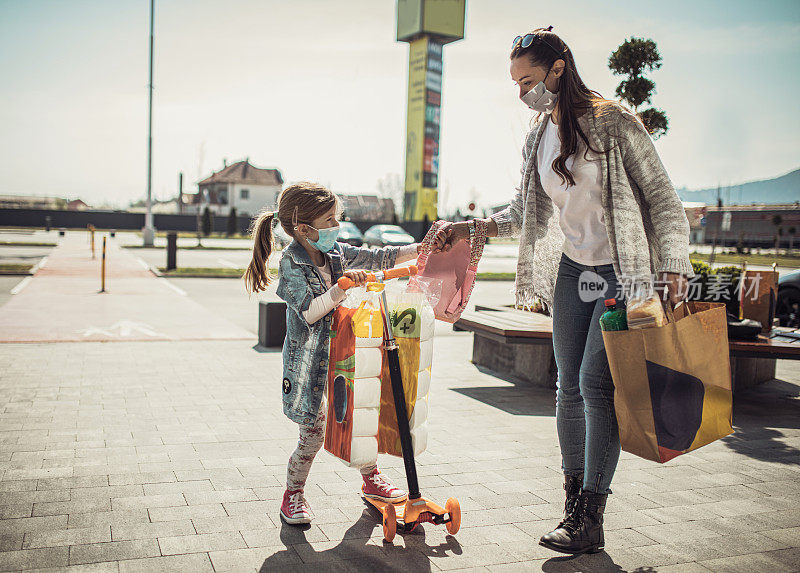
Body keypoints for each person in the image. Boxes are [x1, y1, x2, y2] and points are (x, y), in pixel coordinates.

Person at [432, 27, 694, 555]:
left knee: (596, 383)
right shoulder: (539, 134)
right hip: (574, 272)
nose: (521, 92)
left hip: (625, 272)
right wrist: (470, 228)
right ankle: (573, 504)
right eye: (514, 82)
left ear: (558, 69)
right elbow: (526, 215)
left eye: (527, 79)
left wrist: (673, 267)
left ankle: (592, 514)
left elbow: (664, 201)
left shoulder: (614, 122)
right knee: (567, 387)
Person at [245, 182, 421, 525]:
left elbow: (377, 257)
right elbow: (309, 311)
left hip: (345, 357)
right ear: (304, 229)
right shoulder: (292, 263)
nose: (336, 225)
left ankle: (371, 478)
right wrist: (342, 288)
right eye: (330, 219)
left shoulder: (335, 253)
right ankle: (292, 494)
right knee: (312, 434)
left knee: (360, 418)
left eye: (336, 217)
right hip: (310, 368)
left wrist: (421, 248)